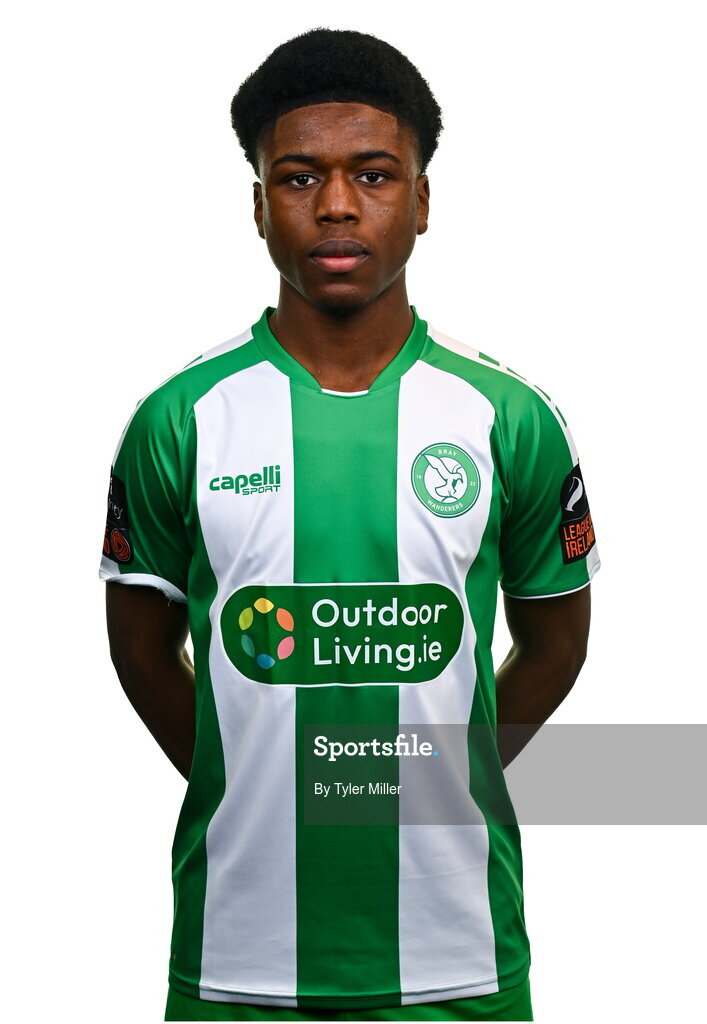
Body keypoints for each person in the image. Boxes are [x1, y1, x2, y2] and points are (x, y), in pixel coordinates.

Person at [100, 27, 599, 1023]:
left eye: (372, 174)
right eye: (297, 177)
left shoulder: (507, 417)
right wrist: (248, 773)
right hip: (238, 963)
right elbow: (143, 652)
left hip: (456, 959)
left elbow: (552, 641)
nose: (334, 204)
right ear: (256, 205)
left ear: (420, 200)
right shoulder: (180, 419)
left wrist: (425, 776)